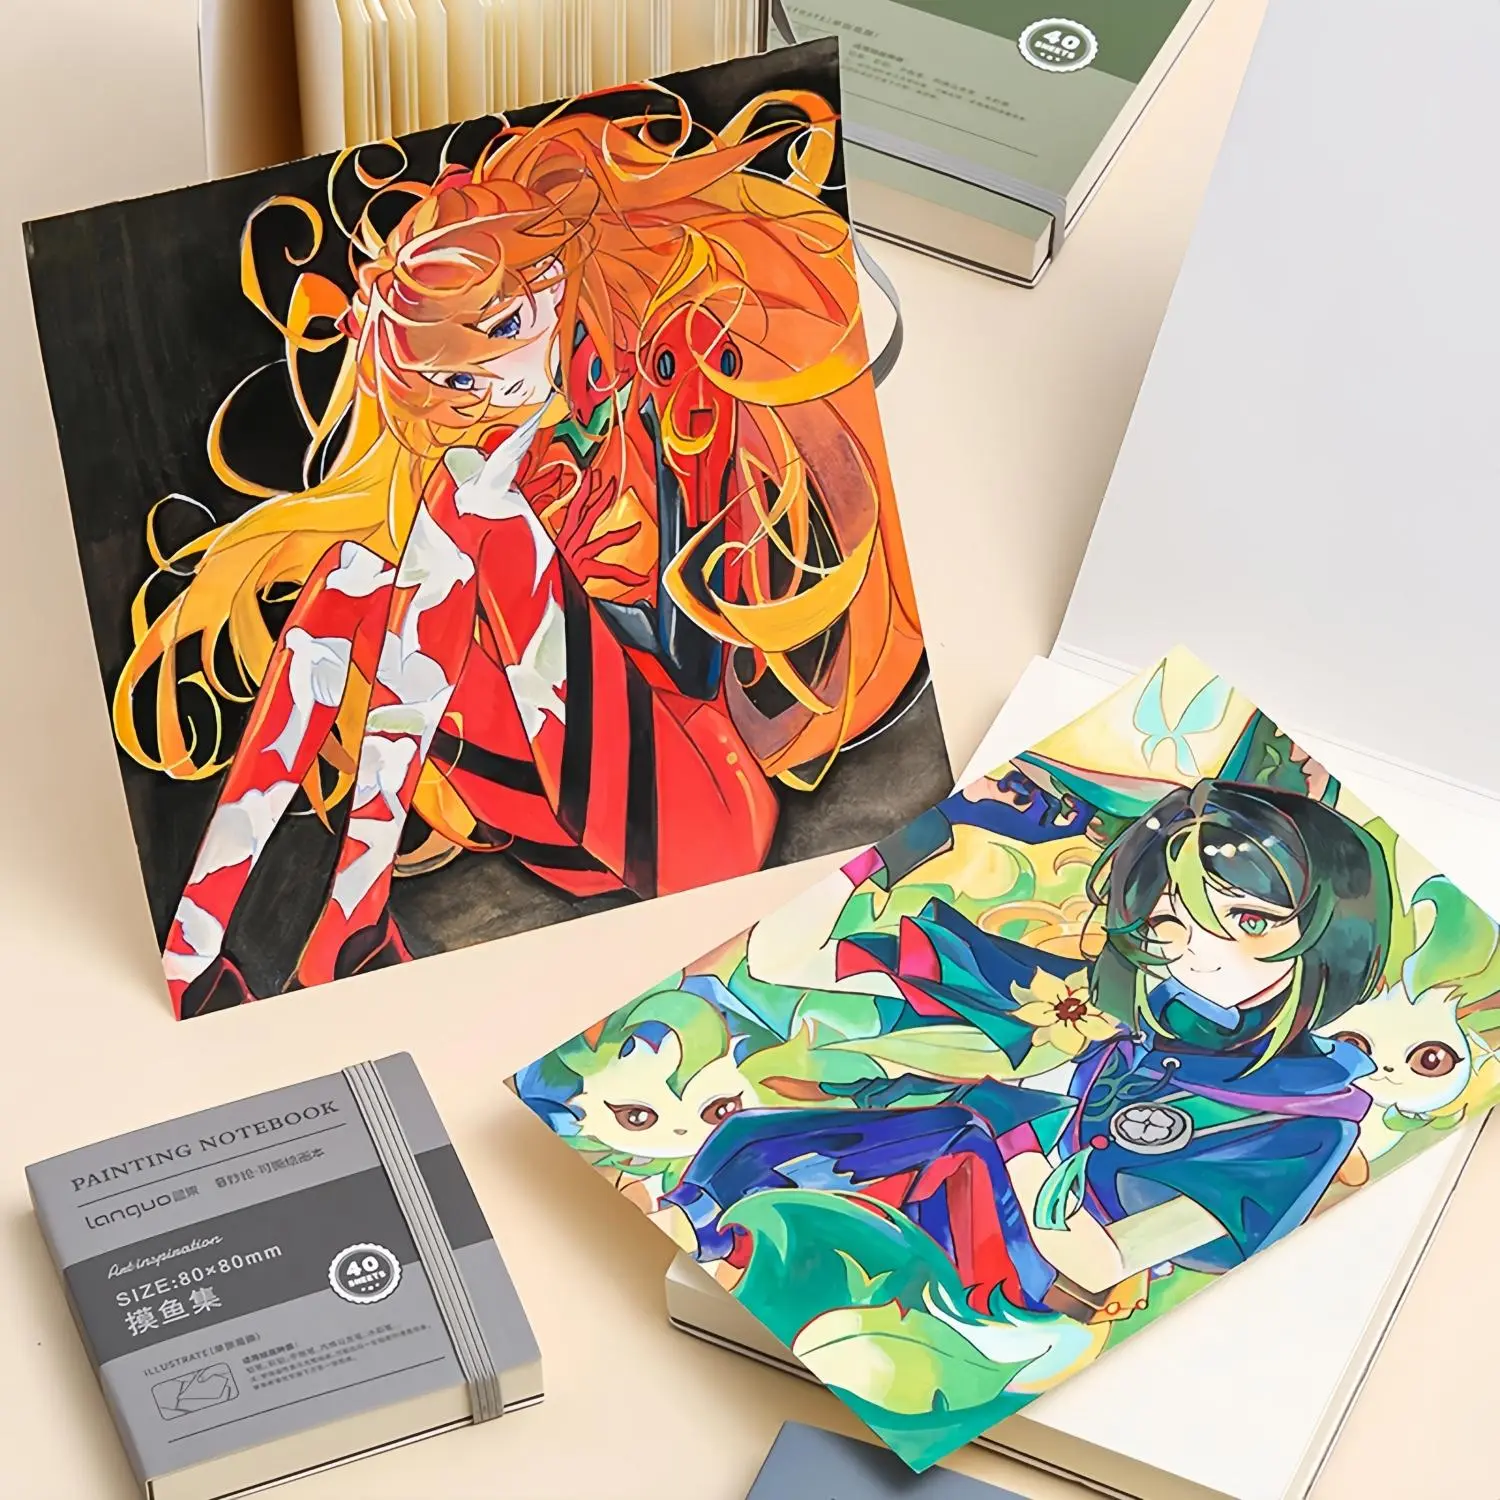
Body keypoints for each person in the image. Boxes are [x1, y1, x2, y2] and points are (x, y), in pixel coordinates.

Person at [113, 88, 926, 1013]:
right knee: (348, 576)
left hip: (700, 813)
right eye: (458, 375)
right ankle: (214, 939)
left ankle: (348, 919)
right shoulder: (502, 460)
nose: (492, 381)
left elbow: (706, 624)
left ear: (557, 284)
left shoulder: (659, 377)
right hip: (564, 806)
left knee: (471, 509)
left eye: (505, 330)